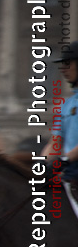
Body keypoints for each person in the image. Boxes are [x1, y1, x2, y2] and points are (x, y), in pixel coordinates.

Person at [41, 40, 78, 183]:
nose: (63, 69)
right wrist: (43, 162)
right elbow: (55, 143)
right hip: (71, 171)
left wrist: (65, 159)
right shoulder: (65, 105)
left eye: (68, 64)